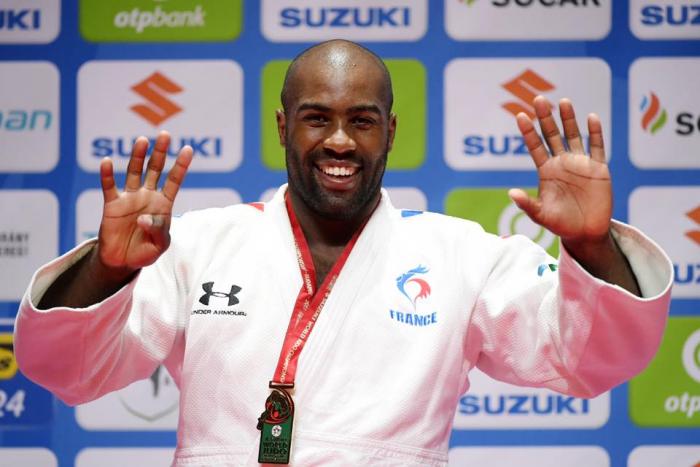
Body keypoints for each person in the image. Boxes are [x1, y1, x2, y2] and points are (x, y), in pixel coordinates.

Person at [15, 40, 672, 466]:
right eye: (316, 117)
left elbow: (587, 360)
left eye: (361, 120)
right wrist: (108, 269)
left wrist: (590, 245)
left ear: (391, 131)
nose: (339, 141)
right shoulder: (197, 245)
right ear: (283, 127)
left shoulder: (462, 257)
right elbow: (69, 371)